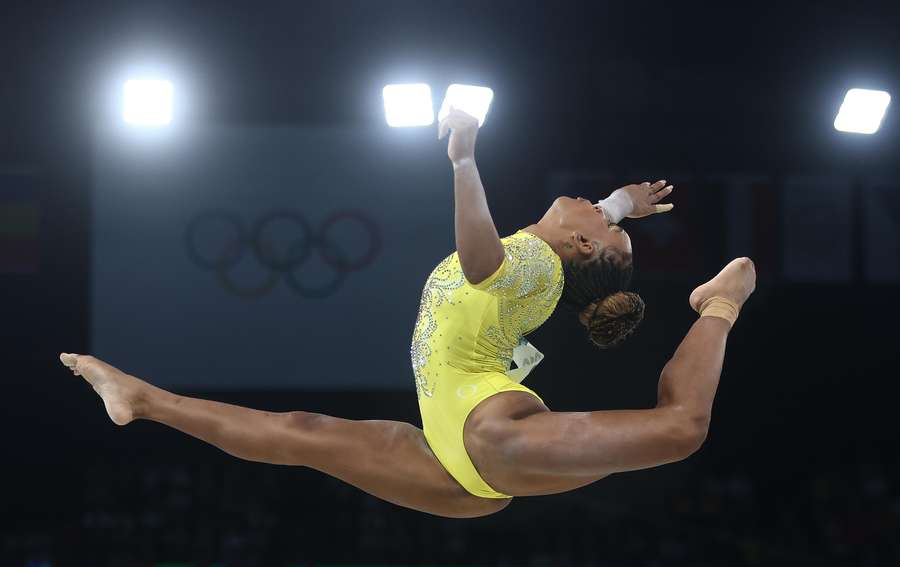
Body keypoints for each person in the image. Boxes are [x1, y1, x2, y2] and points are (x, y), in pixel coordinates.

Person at [60, 108, 755, 519]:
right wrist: (623, 207)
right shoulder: (552, 256)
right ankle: (141, 399)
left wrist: (463, 158)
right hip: (459, 460)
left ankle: (719, 302)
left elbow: (484, 261)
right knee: (299, 431)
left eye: (604, 221)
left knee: (682, 428)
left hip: (485, 436)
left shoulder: (534, 266)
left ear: (579, 245)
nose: (592, 203)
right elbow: (587, 226)